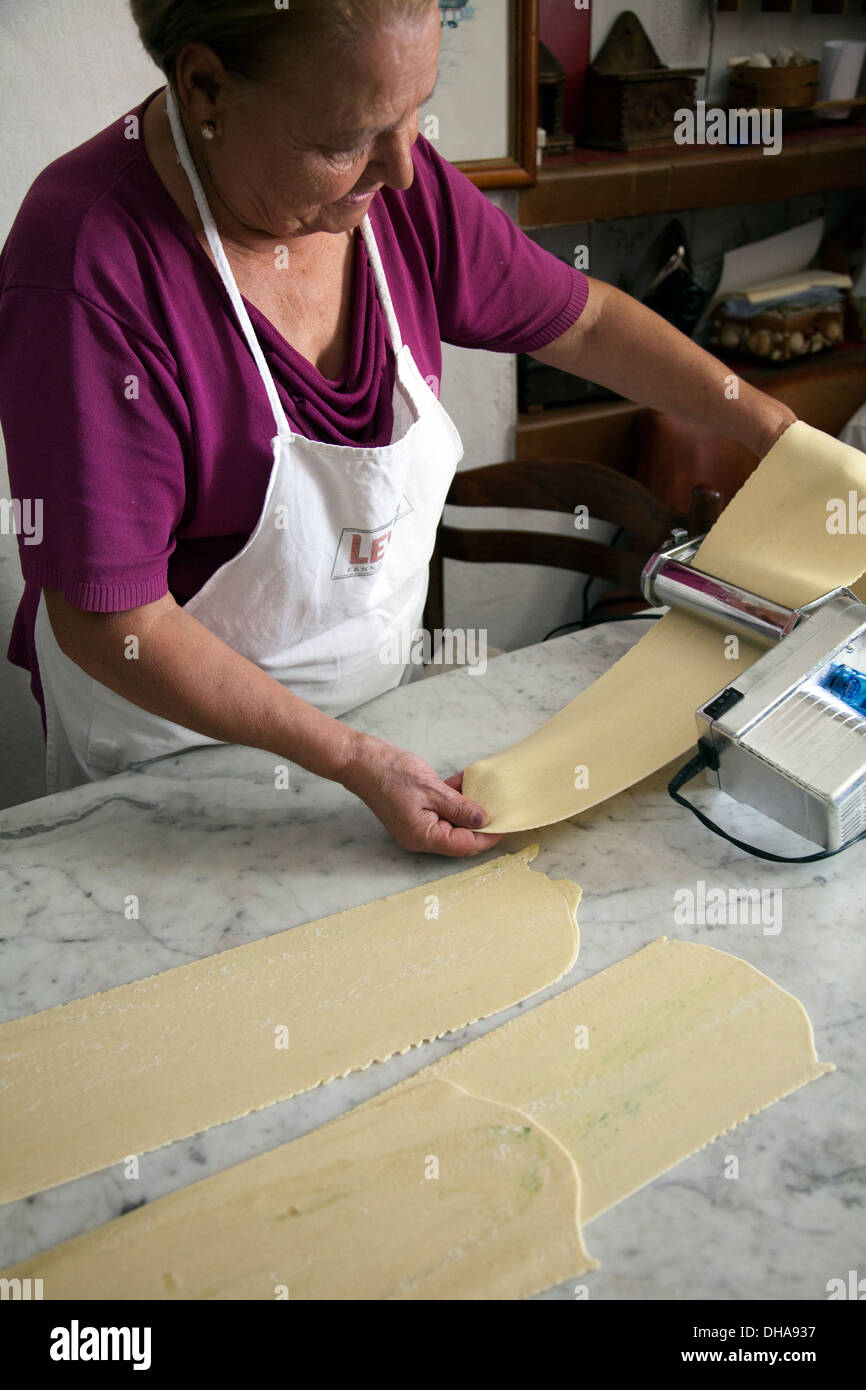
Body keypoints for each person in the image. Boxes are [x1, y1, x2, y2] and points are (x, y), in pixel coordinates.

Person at [0, 0, 796, 855]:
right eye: (346, 139)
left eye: (414, 111)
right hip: (170, 766)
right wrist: (346, 759)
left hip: (379, 726)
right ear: (205, 87)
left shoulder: (384, 191)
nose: (406, 170)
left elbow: (587, 324)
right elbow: (110, 619)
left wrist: (775, 430)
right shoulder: (83, 266)